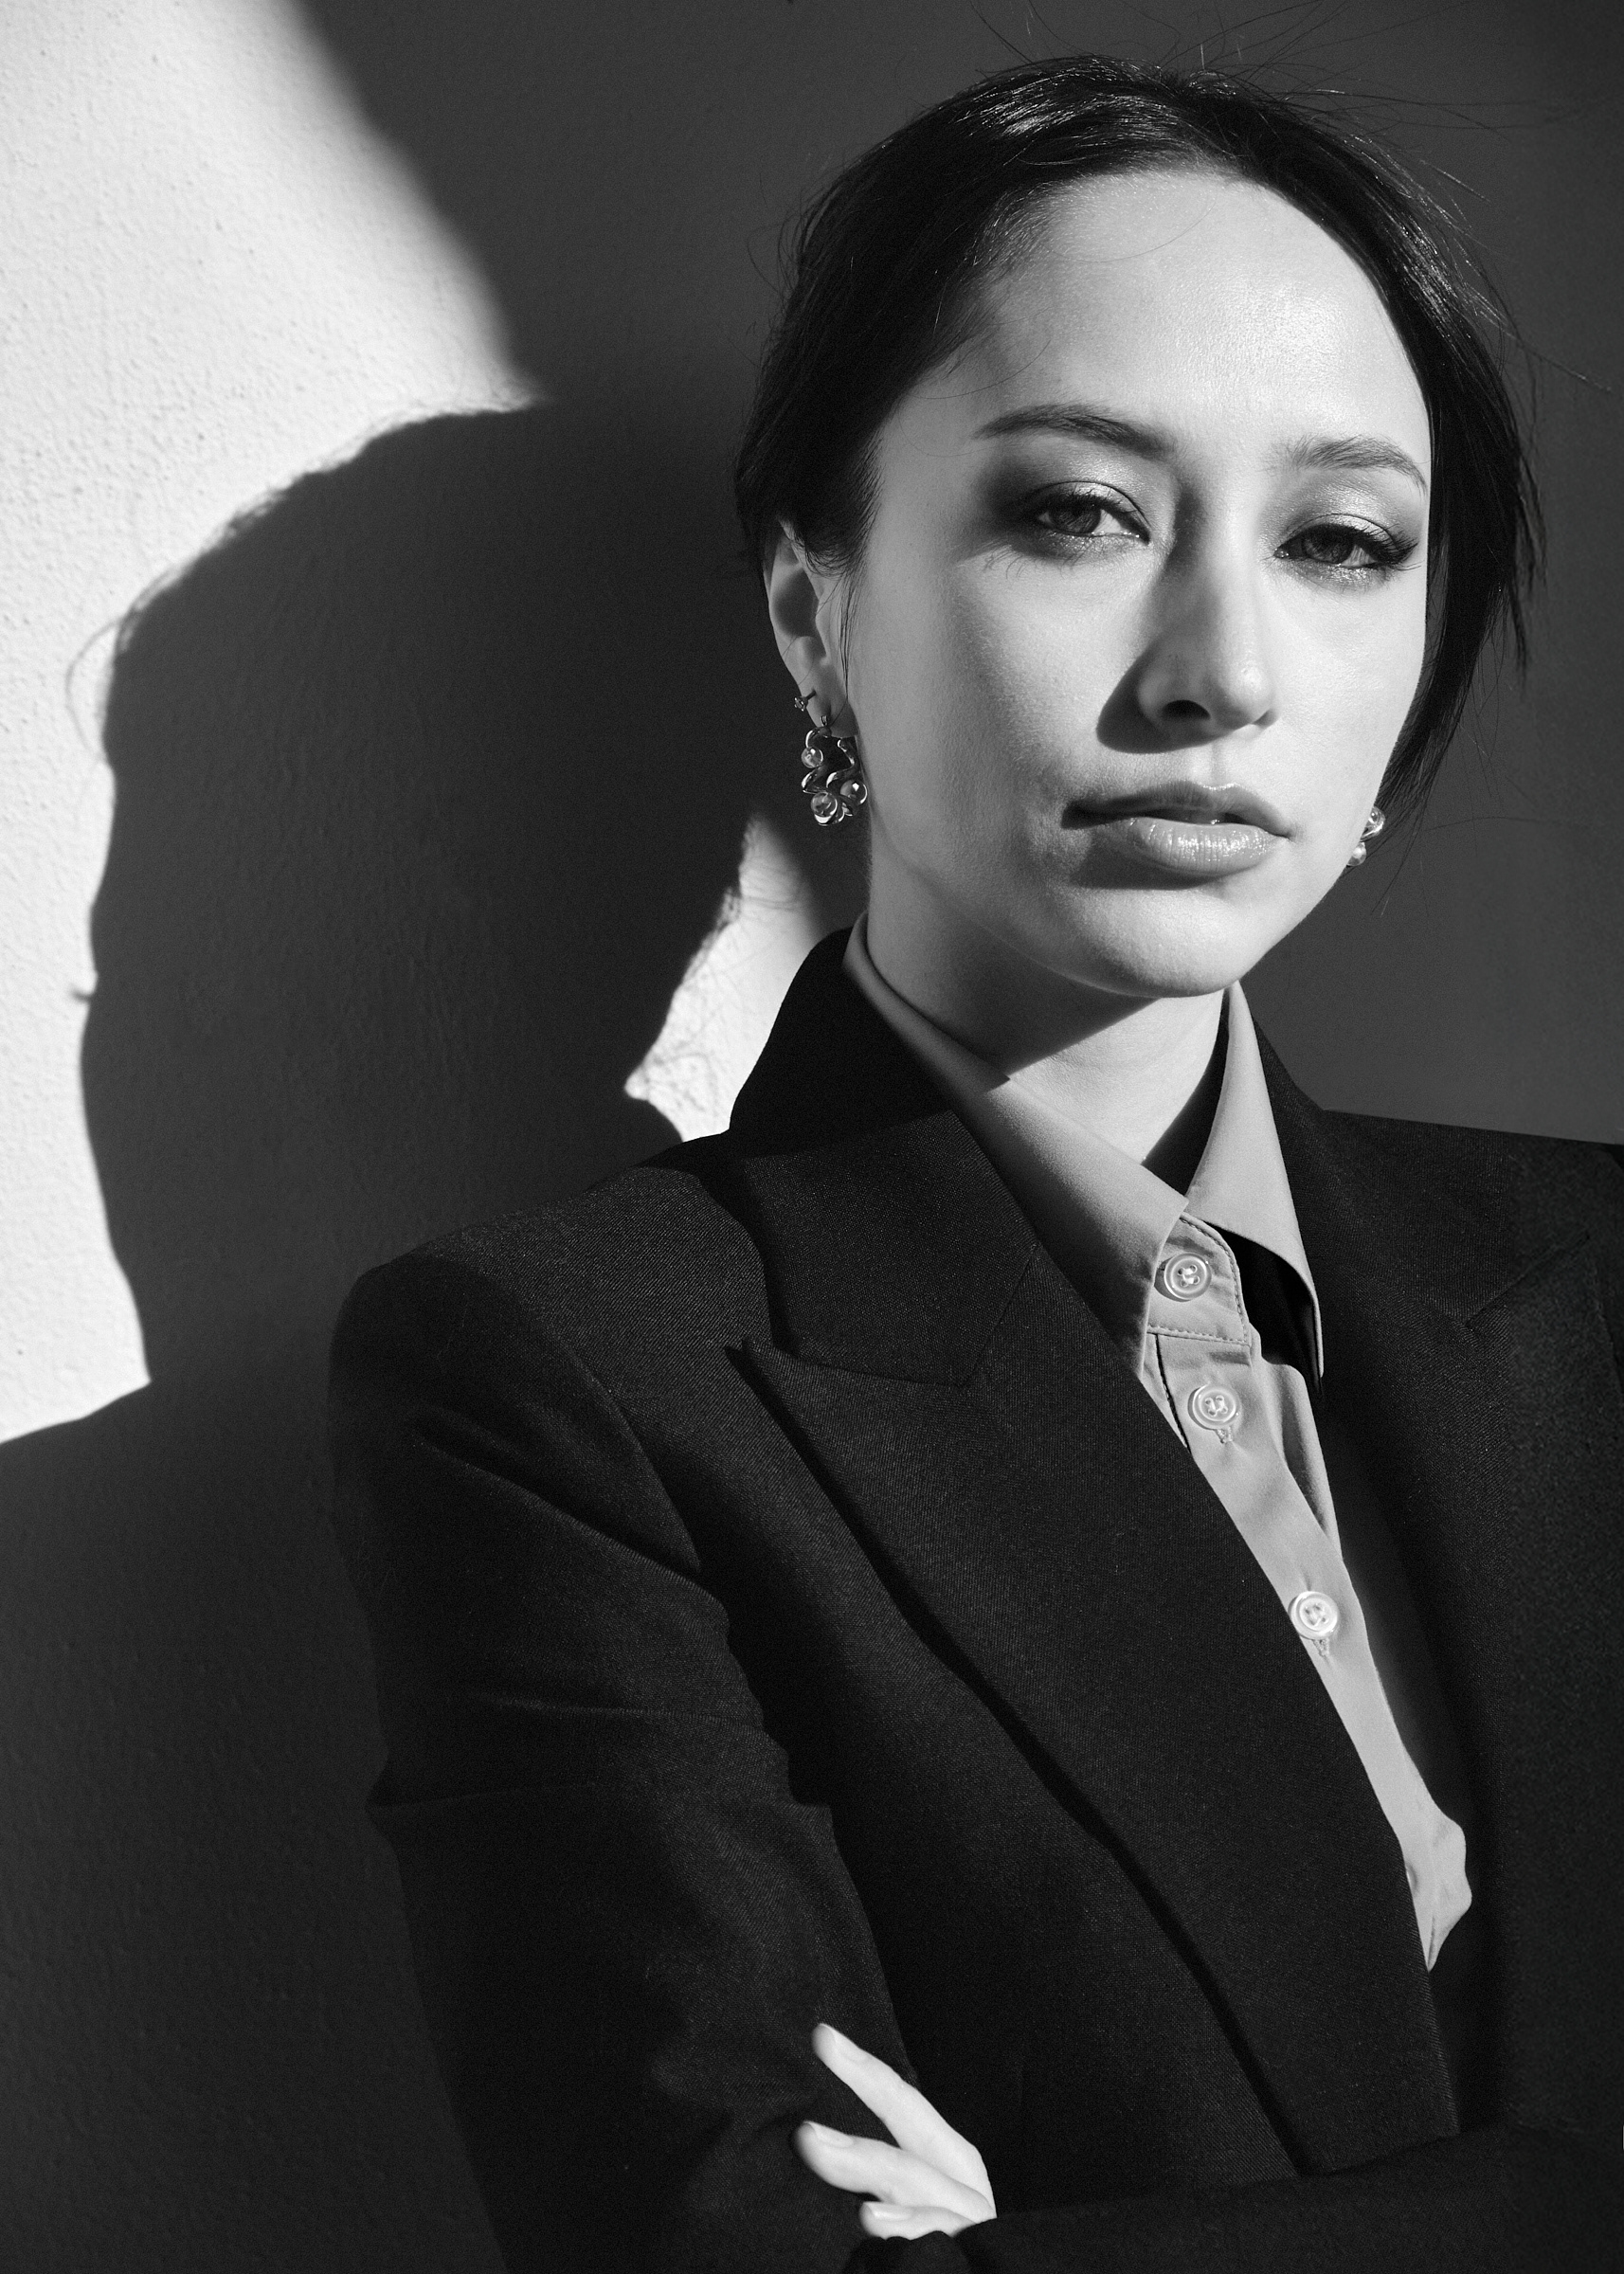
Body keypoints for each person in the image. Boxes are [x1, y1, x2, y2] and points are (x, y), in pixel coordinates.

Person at [328, 55, 1624, 2273]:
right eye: (1076, 512)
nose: (1220, 672)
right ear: (811, 611)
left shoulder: (1594, 1274)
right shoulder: (570, 1387)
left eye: (1338, 542)